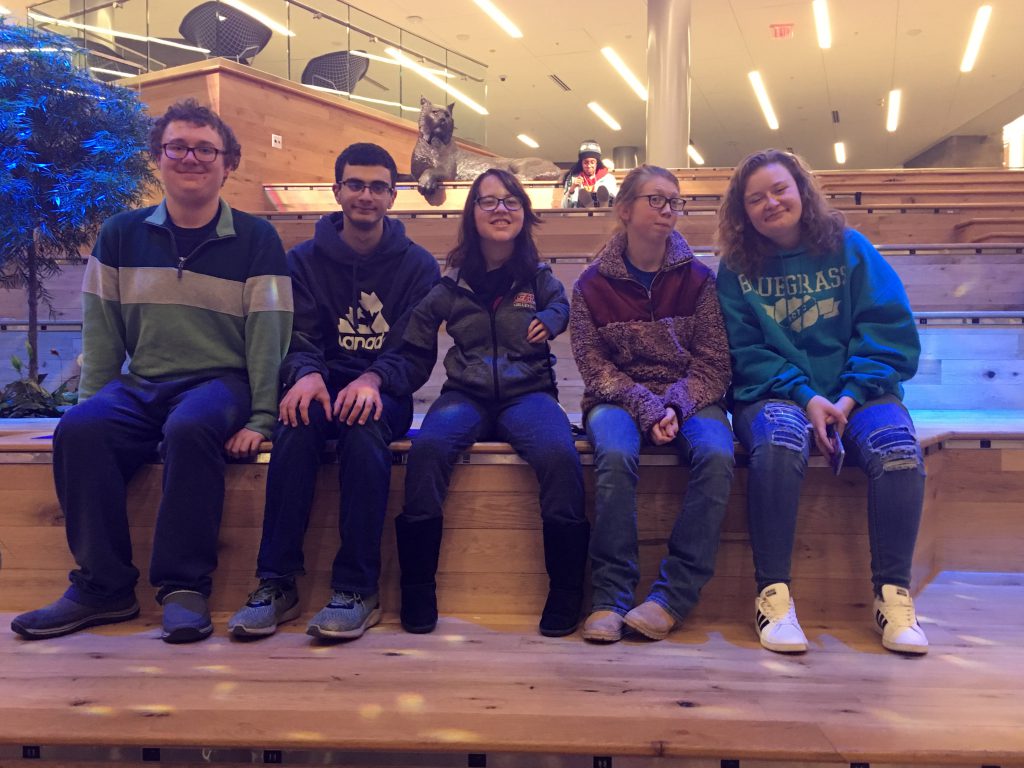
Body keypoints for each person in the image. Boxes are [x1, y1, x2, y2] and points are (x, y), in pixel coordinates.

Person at [10, 99, 293, 644]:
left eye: (205, 149)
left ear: (228, 162)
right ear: (158, 158)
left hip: (220, 382)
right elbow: (102, 330)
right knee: (80, 430)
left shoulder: (257, 239)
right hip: (141, 384)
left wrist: (262, 416)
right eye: (178, 147)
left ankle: (184, 588)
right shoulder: (120, 233)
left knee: (189, 430)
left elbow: (268, 334)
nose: (191, 158)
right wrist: (91, 400)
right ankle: (102, 588)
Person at [715, 149, 929, 655]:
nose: (771, 203)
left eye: (779, 189)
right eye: (755, 199)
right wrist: (806, 396)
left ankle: (893, 598)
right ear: (743, 213)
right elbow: (743, 350)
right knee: (780, 444)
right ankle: (773, 596)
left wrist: (850, 396)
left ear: (801, 191)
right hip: (778, 392)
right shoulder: (735, 269)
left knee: (899, 450)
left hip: (862, 390)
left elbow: (887, 330)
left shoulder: (851, 249)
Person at [227, 143, 439, 641]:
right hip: (319, 382)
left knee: (364, 429)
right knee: (295, 427)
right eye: (356, 185)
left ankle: (357, 589)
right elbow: (295, 335)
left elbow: (415, 348)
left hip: (382, 389)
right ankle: (276, 583)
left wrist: (374, 379)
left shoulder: (419, 267)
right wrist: (305, 372)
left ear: (393, 195)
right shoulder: (299, 260)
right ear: (337, 190)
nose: (366, 195)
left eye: (378, 187)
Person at [378, 168, 589, 637]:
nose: (501, 209)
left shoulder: (537, 277)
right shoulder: (452, 284)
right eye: (488, 201)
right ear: (472, 215)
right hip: (465, 395)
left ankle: (567, 590)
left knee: (560, 455)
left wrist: (552, 320)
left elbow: (562, 305)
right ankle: (416, 589)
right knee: (428, 450)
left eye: (511, 201)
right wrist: (379, 372)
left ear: (524, 214)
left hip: (528, 395)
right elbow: (414, 330)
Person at [570, 164, 734, 643]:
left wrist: (676, 406)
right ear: (625, 210)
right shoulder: (591, 284)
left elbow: (713, 364)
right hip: (617, 398)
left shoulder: (699, 280)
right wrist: (646, 406)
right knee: (616, 455)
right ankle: (610, 595)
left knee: (718, 454)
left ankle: (673, 596)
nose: (668, 210)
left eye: (674, 202)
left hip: (689, 395)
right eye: (656, 200)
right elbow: (594, 366)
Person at [562, 140, 618, 208]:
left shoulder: (608, 178)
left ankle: (601, 205)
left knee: (605, 195)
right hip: (580, 215)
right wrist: (572, 189)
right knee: (582, 199)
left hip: (604, 215)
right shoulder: (572, 178)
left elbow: (615, 201)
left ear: (597, 163)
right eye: (586, 162)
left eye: (592, 162)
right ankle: (589, 206)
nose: (589, 165)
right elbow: (564, 207)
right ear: (581, 163)